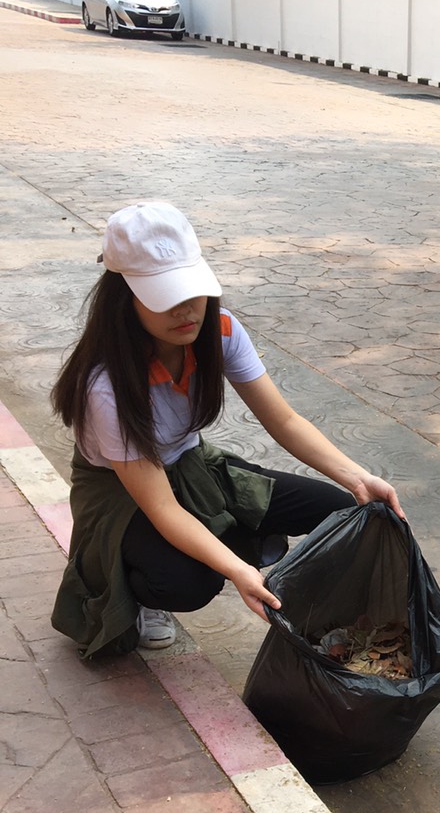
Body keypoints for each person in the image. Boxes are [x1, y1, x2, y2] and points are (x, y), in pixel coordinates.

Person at [51, 202, 404, 660]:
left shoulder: (219, 331)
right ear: (125, 298)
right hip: (121, 491)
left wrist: (358, 478)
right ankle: (135, 591)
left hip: (191, 464)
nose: (185, 310)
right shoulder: (107, 386)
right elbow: (160, 505)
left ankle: (237, 547)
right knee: (192, 581)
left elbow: (284, 421)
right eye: (164, 296)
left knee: (342, 511)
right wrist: (239, 571)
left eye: (191, 290)